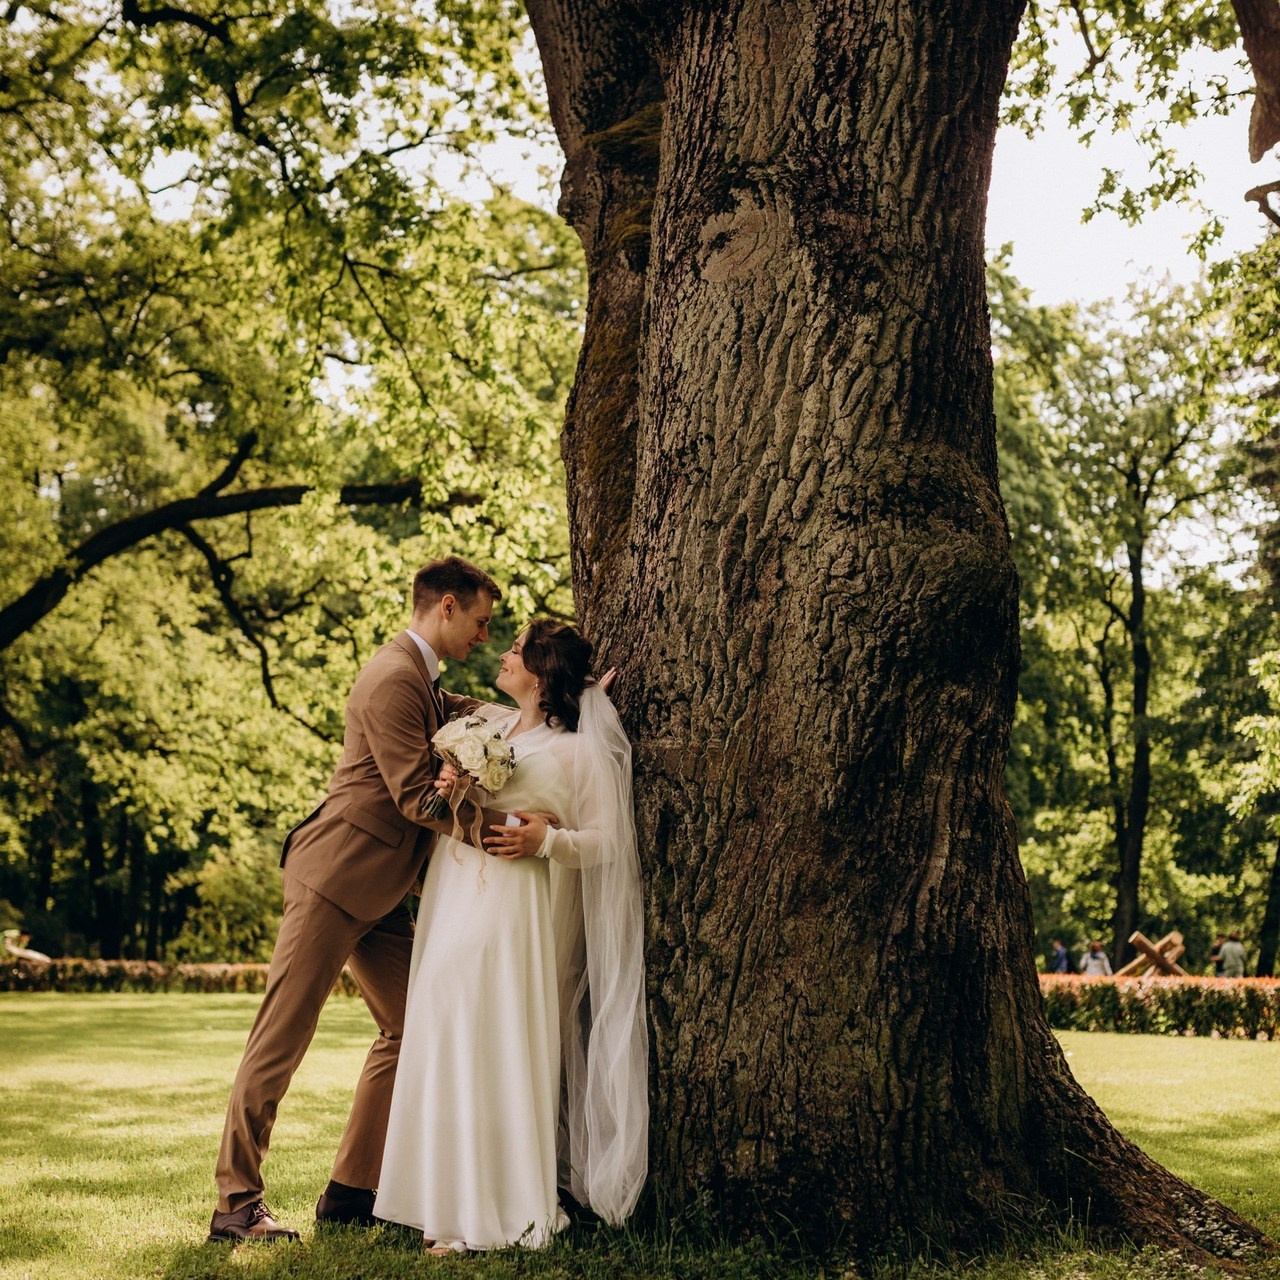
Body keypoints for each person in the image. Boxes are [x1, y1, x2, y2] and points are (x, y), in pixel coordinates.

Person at [208, 556, 516, 1243]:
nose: (484, 637)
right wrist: (515, 833)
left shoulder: (426, 683)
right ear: (443, 607)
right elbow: (414, 798)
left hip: (379, 893)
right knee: (279, 1042)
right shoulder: (391, 677)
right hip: (334, 878)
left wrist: (561, 700)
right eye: (479, 621)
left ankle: (350, 1192)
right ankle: (236, 1205)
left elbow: (482, 715)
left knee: (414, 1027)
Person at [374, 620, 648, 1253]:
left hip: (514, 914)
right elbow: (454, 807)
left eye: (517, 651)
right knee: (444, 1035)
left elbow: (610, 843)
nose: (502, 653)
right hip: (453, 898)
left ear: (543, 672)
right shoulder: (489, 730)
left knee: (493, 1045)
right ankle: (441, 1201)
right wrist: (453, 790)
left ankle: (499, 1210)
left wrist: (545, 840)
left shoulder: (580, 752)